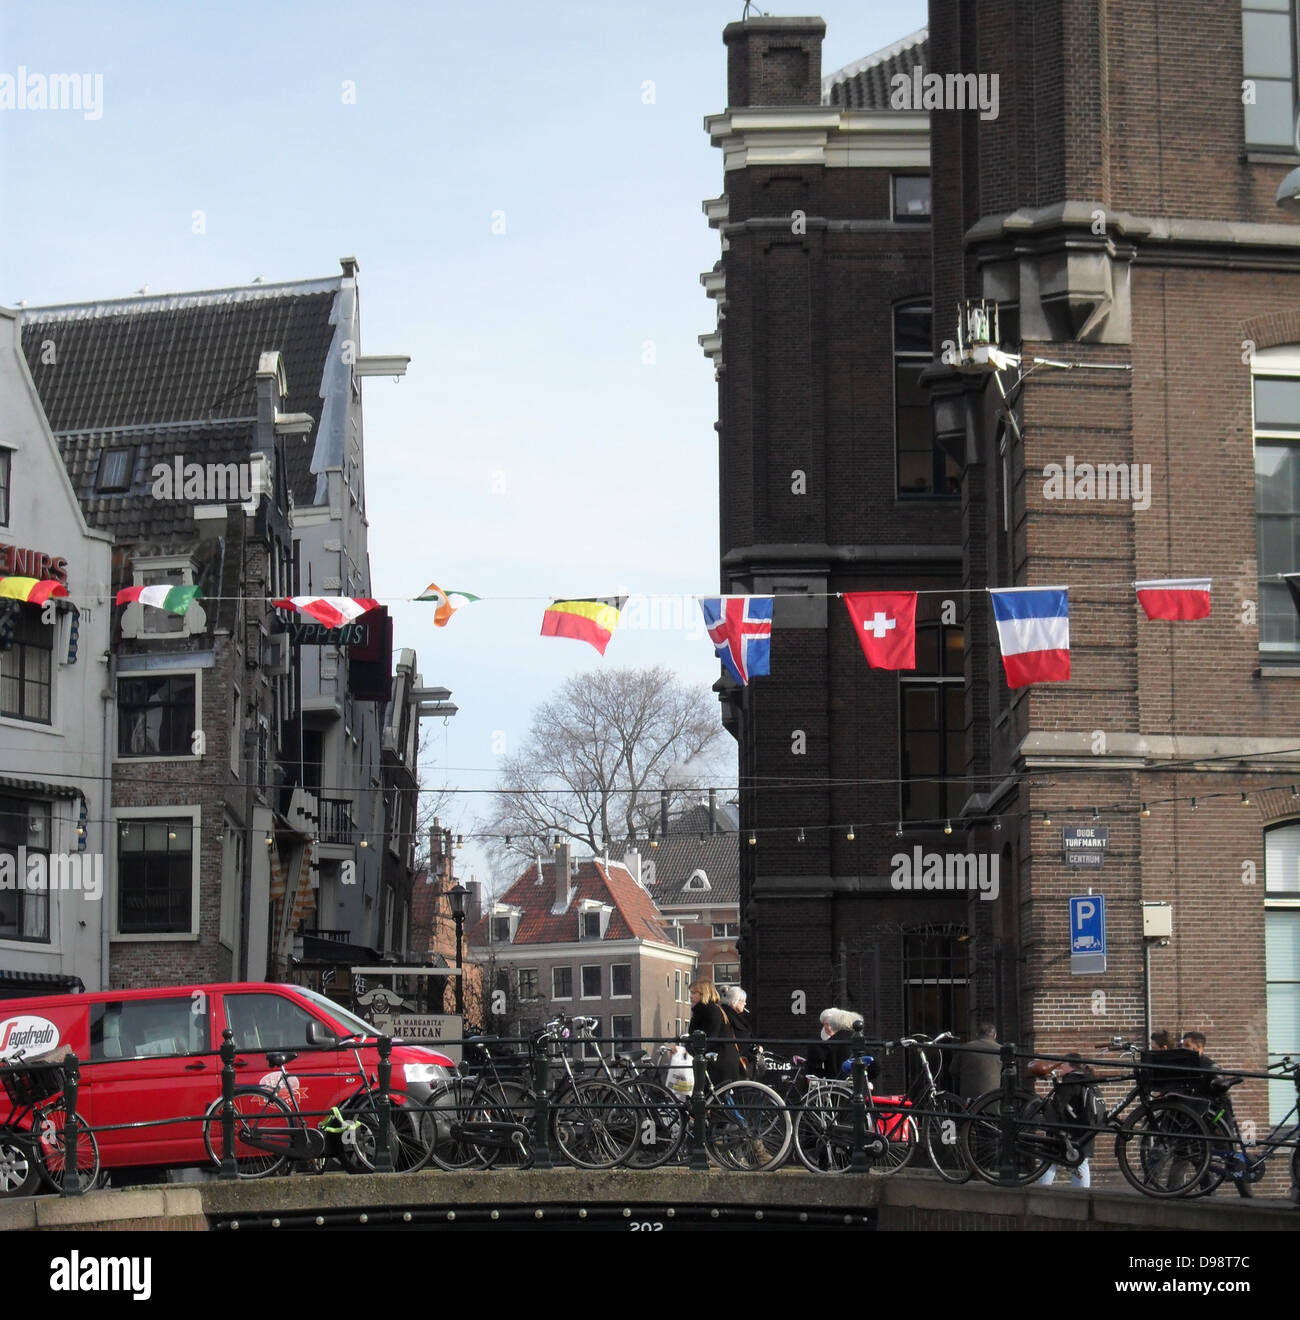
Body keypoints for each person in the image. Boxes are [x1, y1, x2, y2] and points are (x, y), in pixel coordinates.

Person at [1035, 1054, 1101, 1189]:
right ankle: (1082, 1196)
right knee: (1081, 1161)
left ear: (1071, 1067)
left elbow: (1057, 1106)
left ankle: (1042, 1191)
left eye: (1064, 1065)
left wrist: (1044, 1108)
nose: (1061, 1068)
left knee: (1049, 1158)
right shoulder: (1088, 1079)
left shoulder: (1071, 1081)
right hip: (1085, 1128)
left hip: (1068, 1130)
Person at [687, 980, 742, 1084]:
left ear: (704, 994)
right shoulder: (702, 1010)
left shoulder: (711, 1010)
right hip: (715, 1059)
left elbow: (712, 1036)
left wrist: (692, 1049)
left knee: (710, 1095)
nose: (690, 996)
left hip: (720, 1061)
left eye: (694, 993)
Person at [952, 1023, 1001, 1101]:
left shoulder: (966, 1047)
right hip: (993, 1100)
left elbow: (953, 1070)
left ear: (977, 1034)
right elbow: (1011, 1073)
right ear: (995, 1035)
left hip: (969, 1101)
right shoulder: (1001, 1050)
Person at [721, 985, 753, 1076]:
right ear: (735, 1001)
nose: (745, 1004)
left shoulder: (734, 1016)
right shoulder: (730, 1017)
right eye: (743, 1001)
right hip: (738, 1063)